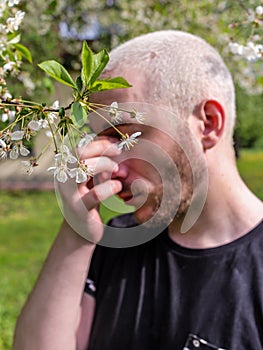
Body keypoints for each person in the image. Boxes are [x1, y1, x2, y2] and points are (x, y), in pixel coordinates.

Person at [13, 30, 263, 350]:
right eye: (102, 140)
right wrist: (75, 236)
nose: (110, 166)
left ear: (209, 123)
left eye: (128, 135)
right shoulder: (115, 244)